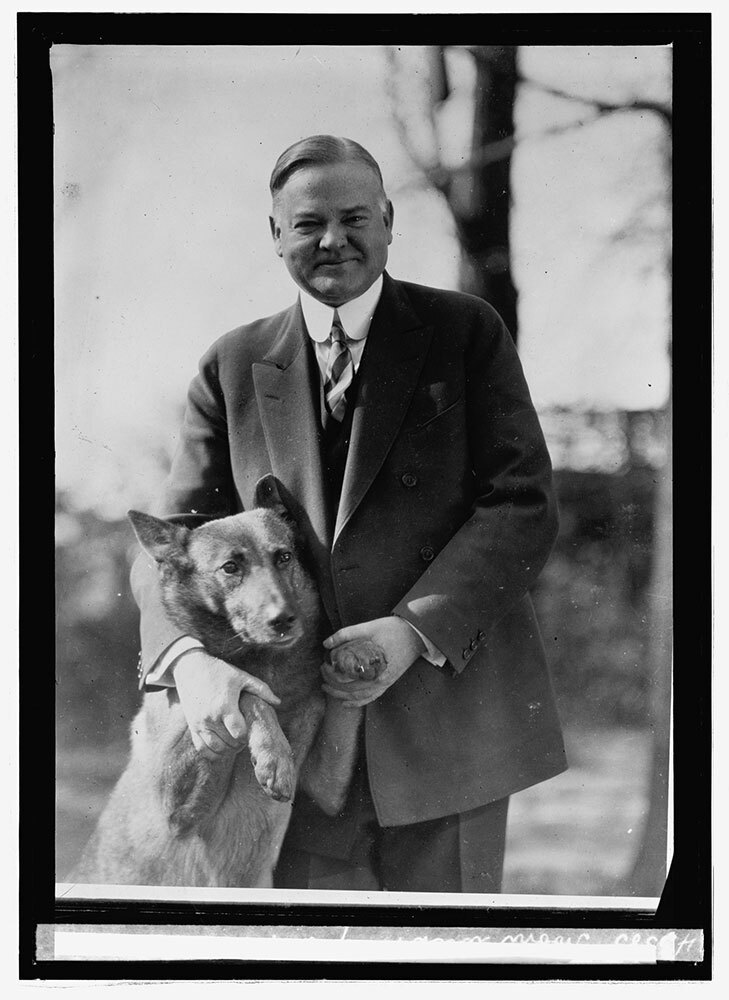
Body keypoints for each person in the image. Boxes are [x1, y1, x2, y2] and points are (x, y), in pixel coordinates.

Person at [132, 134, 567, 893]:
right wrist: (188, 662)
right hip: (289, 751)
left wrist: (412, 630)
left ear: (389, 221)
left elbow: (522, 504)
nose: (332, 239)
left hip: (447, 734)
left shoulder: (465, 333)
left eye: (353, 217)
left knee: (447, 969)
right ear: (274, 236)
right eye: (306, 224)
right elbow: (166, 548)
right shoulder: (230, 365)